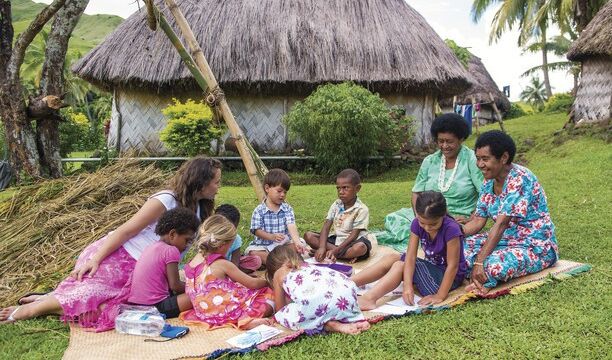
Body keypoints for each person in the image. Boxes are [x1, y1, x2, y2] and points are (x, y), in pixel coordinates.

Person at [0, 157, 222, 330]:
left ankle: (50, 299)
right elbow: (127, 230)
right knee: (90, 300)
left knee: (108, 309)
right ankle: (29, 311)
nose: (219, 186)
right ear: (200, 183)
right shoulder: (166, 200)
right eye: (216, 182)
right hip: (120, 257)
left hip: (145, 267)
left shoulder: (200, 208)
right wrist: (96, 259)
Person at [374, 113, 483, 271]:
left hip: (457, 219)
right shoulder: (430, 161)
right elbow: (416, 192)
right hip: (426, 213)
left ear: (461, 139)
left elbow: (486, 194)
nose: (444, 146)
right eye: (441, 141)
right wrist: (419, 216)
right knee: (396, 220)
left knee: (449, 238)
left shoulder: (472, 160)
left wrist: (474, 214)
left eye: (449, 141)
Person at [462, 130, 558, 295]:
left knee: (492, 265)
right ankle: (476, 274)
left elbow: (501, 225)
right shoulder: (488, 181)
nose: (480, 164)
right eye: (478, 159)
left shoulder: (520, 179)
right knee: (457, 248)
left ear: (504, 158)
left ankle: (481, 277)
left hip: (534, 245)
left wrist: (479, 262)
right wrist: (450, 234)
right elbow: (478, 220)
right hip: (506, 239)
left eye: (485, 159)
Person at [355, 191, 466, 310]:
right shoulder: (417, 224)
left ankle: (369, 299)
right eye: (422, 222)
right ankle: (348, 282)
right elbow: (411, 256)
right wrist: (407, 286)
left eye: (433, 224)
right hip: (432, 269)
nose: (427, 228)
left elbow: (453, 266)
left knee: (399, 265)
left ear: (443, 216)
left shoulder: (451, 229)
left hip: (447, 279)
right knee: (392, 257)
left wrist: (440, 295)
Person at [179, 215, 274, 330]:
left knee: (239, 288)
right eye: (230, 245)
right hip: (225, 312)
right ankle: (245, 320)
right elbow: (253, 283)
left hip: (204, 312)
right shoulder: (222, 264)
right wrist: (268, 282)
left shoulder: (192, 262)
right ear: (223, 245)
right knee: (270, 296)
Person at [266, 244, 370, 335]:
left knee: (283, 315)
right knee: (327, 304)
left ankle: (327, 324)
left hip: (320, 304)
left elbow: (280, 309)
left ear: (272, 270)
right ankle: (353, 318)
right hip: (348, 298)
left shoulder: (278, 273)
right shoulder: (308, 265)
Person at [127, 208, 200, 318]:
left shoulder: (152, 247)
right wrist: (195, 287)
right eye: (187, 240)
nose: (187, 246)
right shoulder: (171, 250)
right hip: (155, 306)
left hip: (136, 304)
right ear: (172, 234)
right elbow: (175, 286)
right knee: (199, 295)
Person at [304, 169, 371, 262]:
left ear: (357, 188)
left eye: (345, 188)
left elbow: (354, 236)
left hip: (353, 242)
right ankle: (336, 254)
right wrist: (322, 247)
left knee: (360, 248)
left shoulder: (361, 209)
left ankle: (332, 254)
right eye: (338, 188)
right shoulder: (336, 204)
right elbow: (326, 227)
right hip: (336, 240)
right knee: (309, 236)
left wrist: (335, 251)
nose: (341, 191)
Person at [245, 169, 305, 265]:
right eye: (279, 191)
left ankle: (277, 261)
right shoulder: (259, 210)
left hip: (283, 245)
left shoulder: (287, 208)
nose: (282, 195)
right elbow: (256, 230)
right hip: (264, 246)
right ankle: (283, 260)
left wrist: (297, 241)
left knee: (300, 243)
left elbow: (291, 225)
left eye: (285, 192)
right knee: (252, 252)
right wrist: (271, 237)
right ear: (267, 188)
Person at [214, 204, 262, 273]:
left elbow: (235, 263)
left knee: (256, 260)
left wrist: (234, 272)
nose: (227, 232)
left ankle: (232, 274)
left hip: (230, 265)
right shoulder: (211, 238)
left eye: (232, 229)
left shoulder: (236, 239)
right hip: (214, 265)